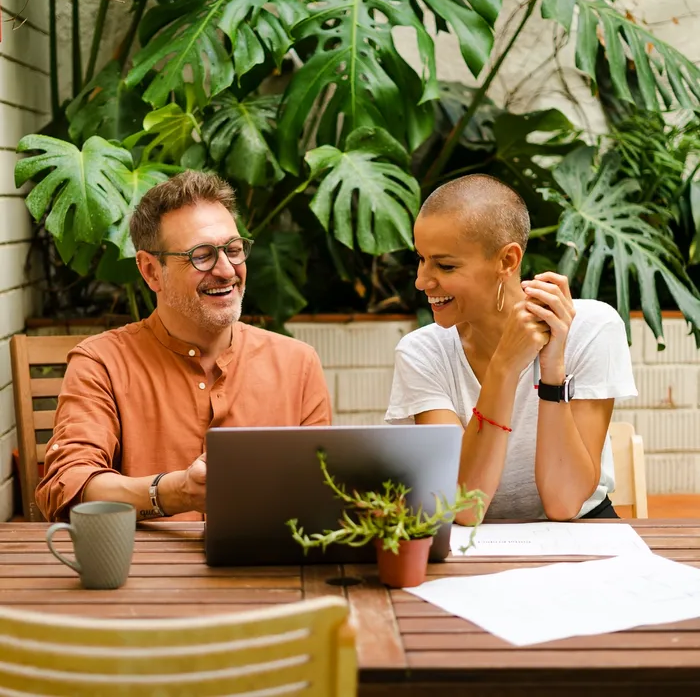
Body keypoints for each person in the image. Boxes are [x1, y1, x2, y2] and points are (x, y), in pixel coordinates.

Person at [36, 171, 331, 522]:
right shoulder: (102, 362)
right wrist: (172, 493)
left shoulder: (297, 363)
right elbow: (67, 485)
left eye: (234, 250)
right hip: (146, 573)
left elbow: (323, 490)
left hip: (269, 571)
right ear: (150, 271)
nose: (226, 270)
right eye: (201, 255)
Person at [385, 174, 637, 522]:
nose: (422, 280)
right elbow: (464, 506)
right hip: (470, 537)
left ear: (507, 261)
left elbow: (564, 503)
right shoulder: (421, 352)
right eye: (421, 259)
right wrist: (505, 366)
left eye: (445, 265)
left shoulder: (591, 328)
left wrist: (552, 371)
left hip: (580, 531)